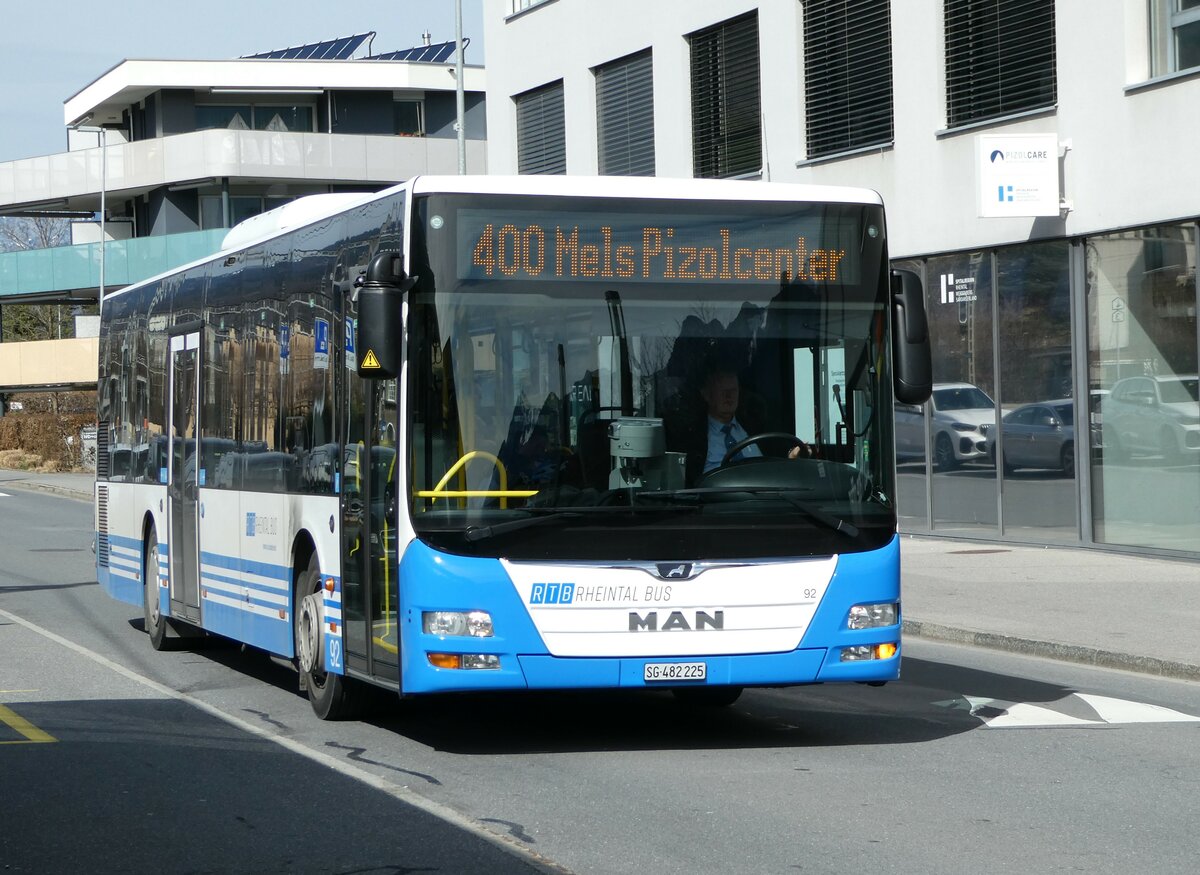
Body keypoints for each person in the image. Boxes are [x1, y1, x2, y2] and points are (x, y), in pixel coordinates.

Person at [698, 367, 807, 475]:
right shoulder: (694, 437)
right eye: (722, 391)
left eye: (733, 390)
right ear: (707, 394)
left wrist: (792, 456)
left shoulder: (757, 426)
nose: (729, 396)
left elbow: (779, 460)